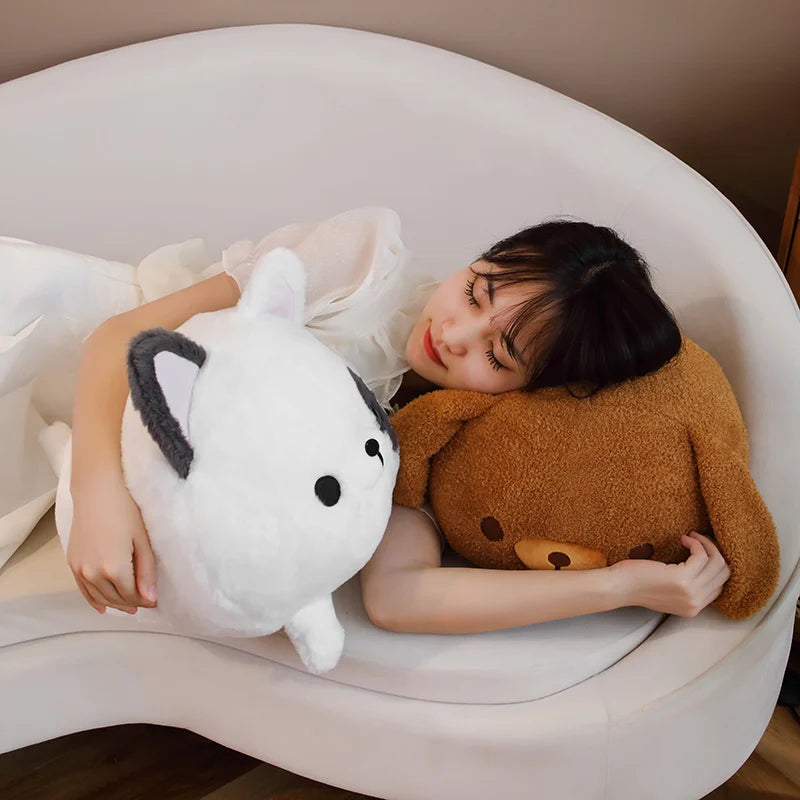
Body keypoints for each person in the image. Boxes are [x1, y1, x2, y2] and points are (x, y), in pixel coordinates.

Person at [66, 207, 730, 632]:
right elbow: (116, 338)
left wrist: (615, 586)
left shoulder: (430, 435)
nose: (454, 332)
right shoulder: (362, 262)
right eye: (476, 290)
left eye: (497, 356)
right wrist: (97, 493)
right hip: (94, 386)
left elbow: (398, 597)